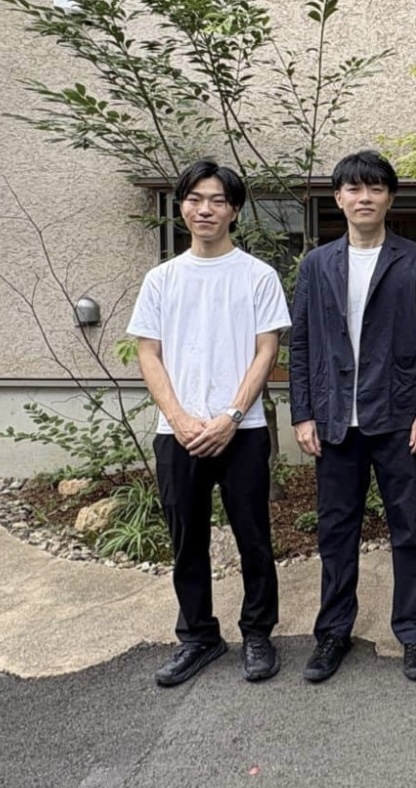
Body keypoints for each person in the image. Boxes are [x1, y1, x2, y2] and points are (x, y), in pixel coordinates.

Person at [127, 160, 291, 687]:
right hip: (177, 433)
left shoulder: (258, 276)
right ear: (181, 207)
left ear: (234, 210)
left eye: (217, 200)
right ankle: (198, 636)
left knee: (254, 537)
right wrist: (178, 418)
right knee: (186, 539)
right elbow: (148, 353)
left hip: (242, 431)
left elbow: (267, 351)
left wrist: (232, 415)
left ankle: (258, 632)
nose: (205, 209)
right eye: (195, 199)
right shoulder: (161, 279)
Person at [289, 150, 416, 683]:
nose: (364, 198)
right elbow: (302, 343)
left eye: (375, 188)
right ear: (338, 198)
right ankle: (333, 631)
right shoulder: (316, 265)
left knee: (410, 528)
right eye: (354, 189)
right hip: (334, 419)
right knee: (336, 531)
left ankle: (414, 630)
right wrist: (303, 413)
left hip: (399, 417)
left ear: (389, 199)